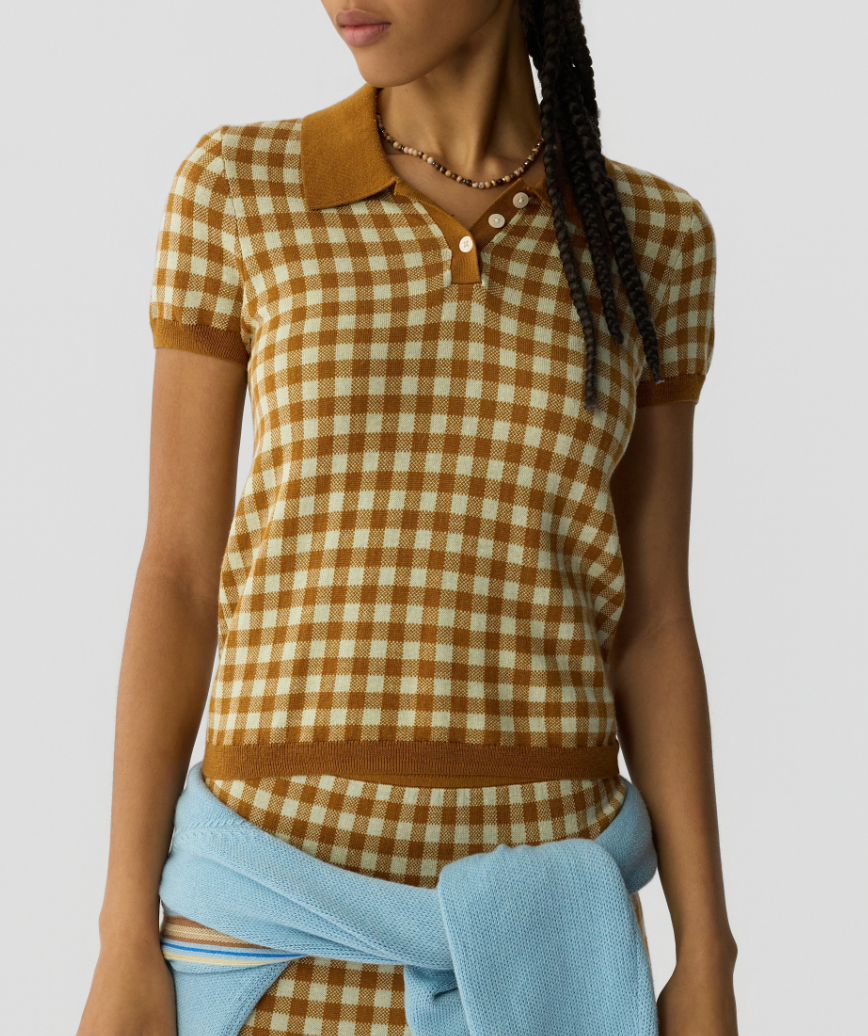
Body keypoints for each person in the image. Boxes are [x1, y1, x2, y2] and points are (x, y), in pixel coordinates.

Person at [76, 2, 738, 1034]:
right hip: (266, 926)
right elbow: (176, 574)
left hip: (549, 942)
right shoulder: (240, 186)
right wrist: (122, 934)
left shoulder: (653, 236)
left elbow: (652, 621)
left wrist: (707, 951)